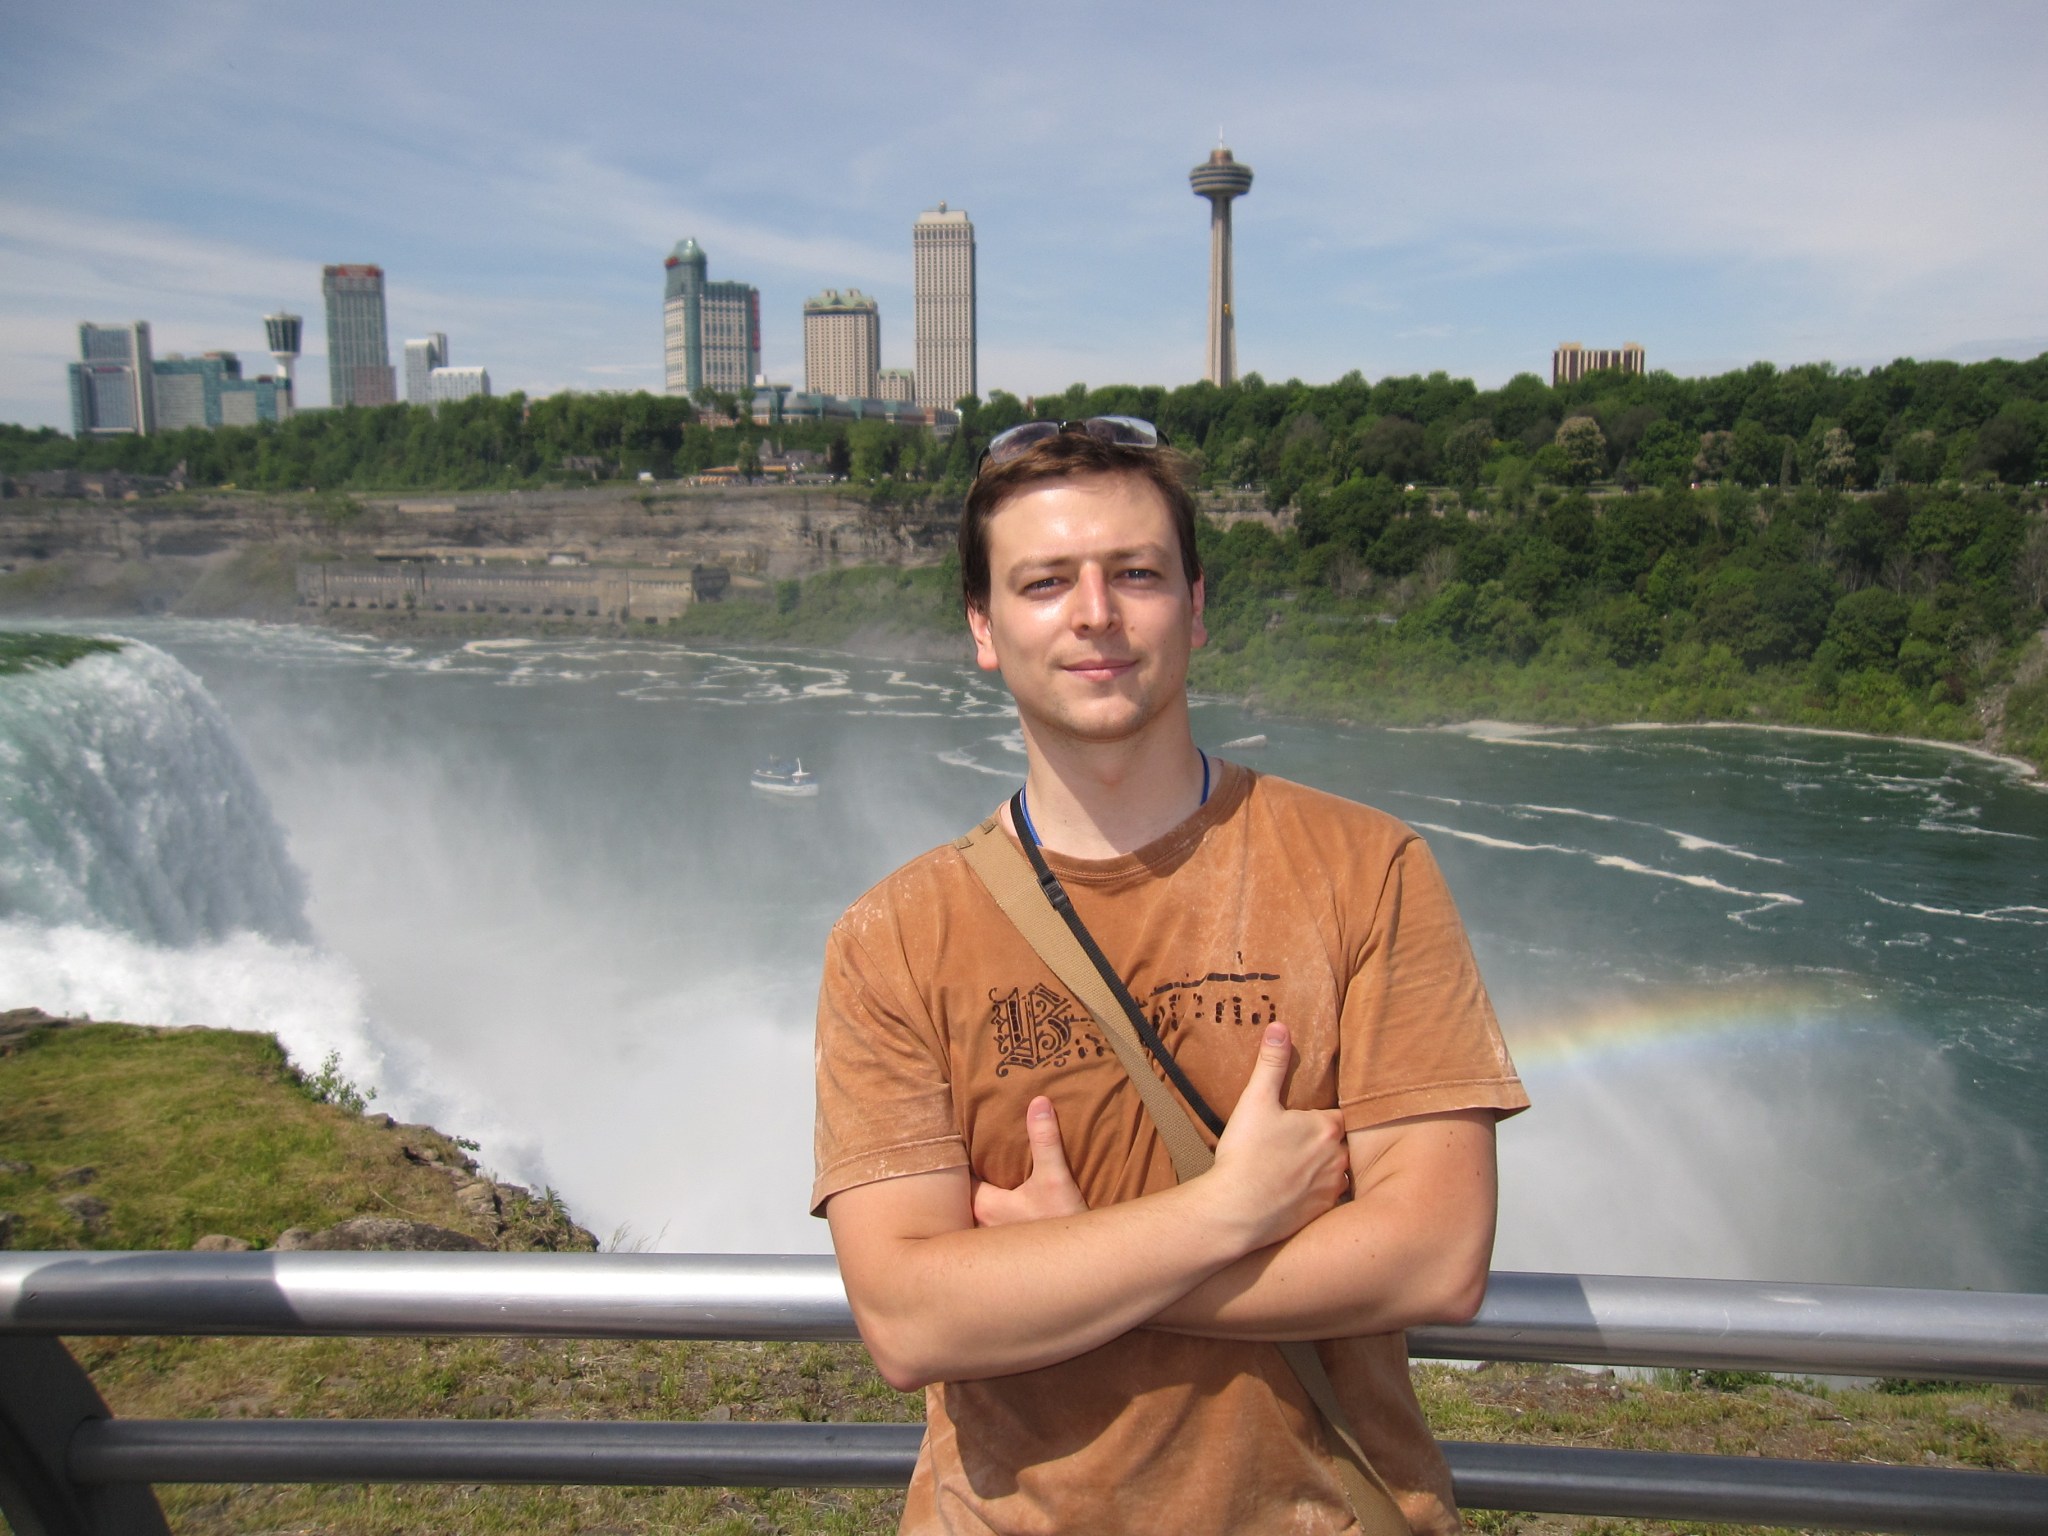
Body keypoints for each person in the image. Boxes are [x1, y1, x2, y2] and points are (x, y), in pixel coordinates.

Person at [812, 418, 1528, 1535]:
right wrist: (1232, 1213)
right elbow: (909, 1323)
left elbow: (1435, 1258)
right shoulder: (893, 936)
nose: (1093, 613)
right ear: (983, 629)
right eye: (1043, 582)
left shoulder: (1365, 872)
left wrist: (1058, 1268)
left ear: (1193, 608)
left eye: (1134, 575)